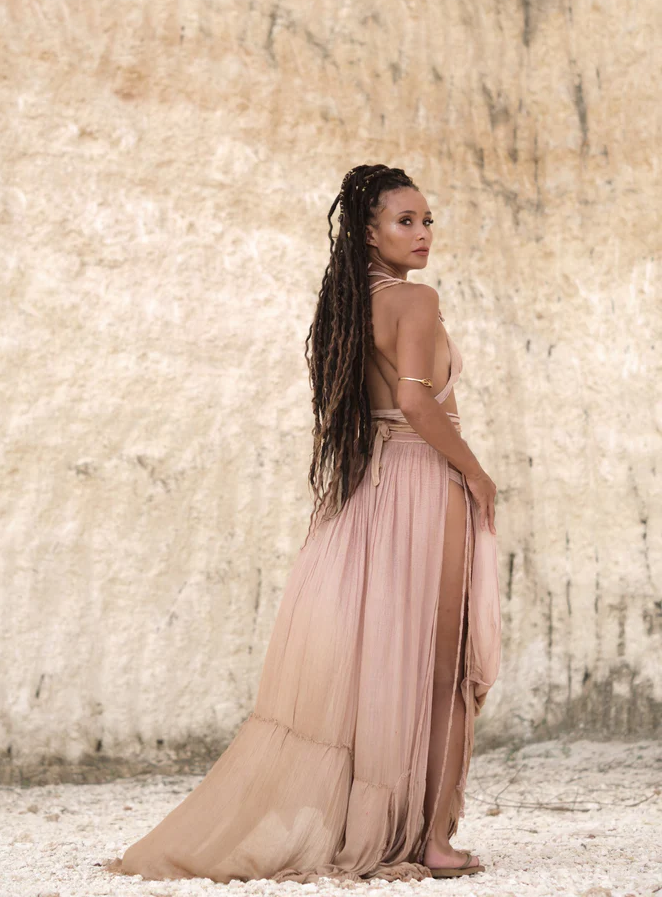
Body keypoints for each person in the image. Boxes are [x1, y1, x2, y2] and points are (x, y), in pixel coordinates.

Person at [101, 163, 502, 883]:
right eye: (405, 221)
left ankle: (380, 823)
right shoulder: (416, 301)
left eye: (427, 220)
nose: (422, 233)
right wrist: (474, 471)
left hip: (368, 487)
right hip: (421, 482)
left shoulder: (348, 307)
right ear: (369, 233)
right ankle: (433, 841)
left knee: (378, 662)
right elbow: (416, 401)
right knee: (441, 666)